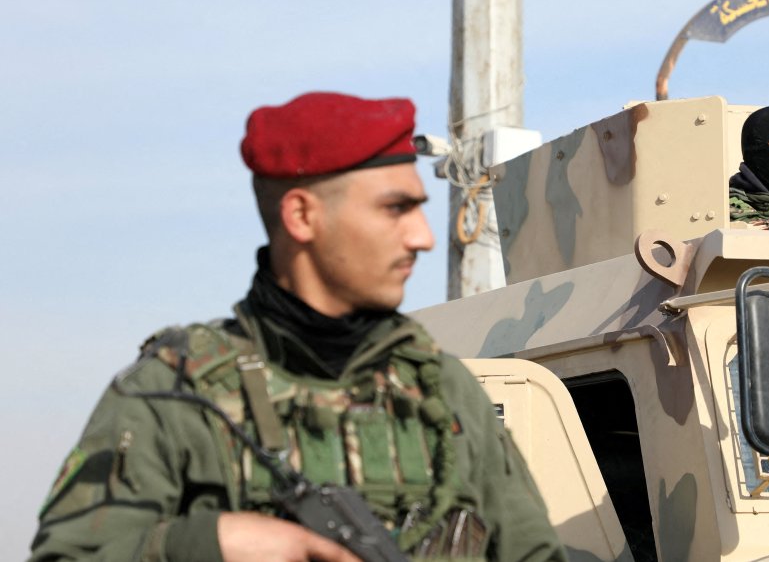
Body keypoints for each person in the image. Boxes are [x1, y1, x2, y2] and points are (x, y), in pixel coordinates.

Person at [30, 93, 567, 562]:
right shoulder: (172, 395)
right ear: (302, 216)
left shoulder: (445, 392)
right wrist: (206, 544)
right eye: (395, 208)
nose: (423, 237)